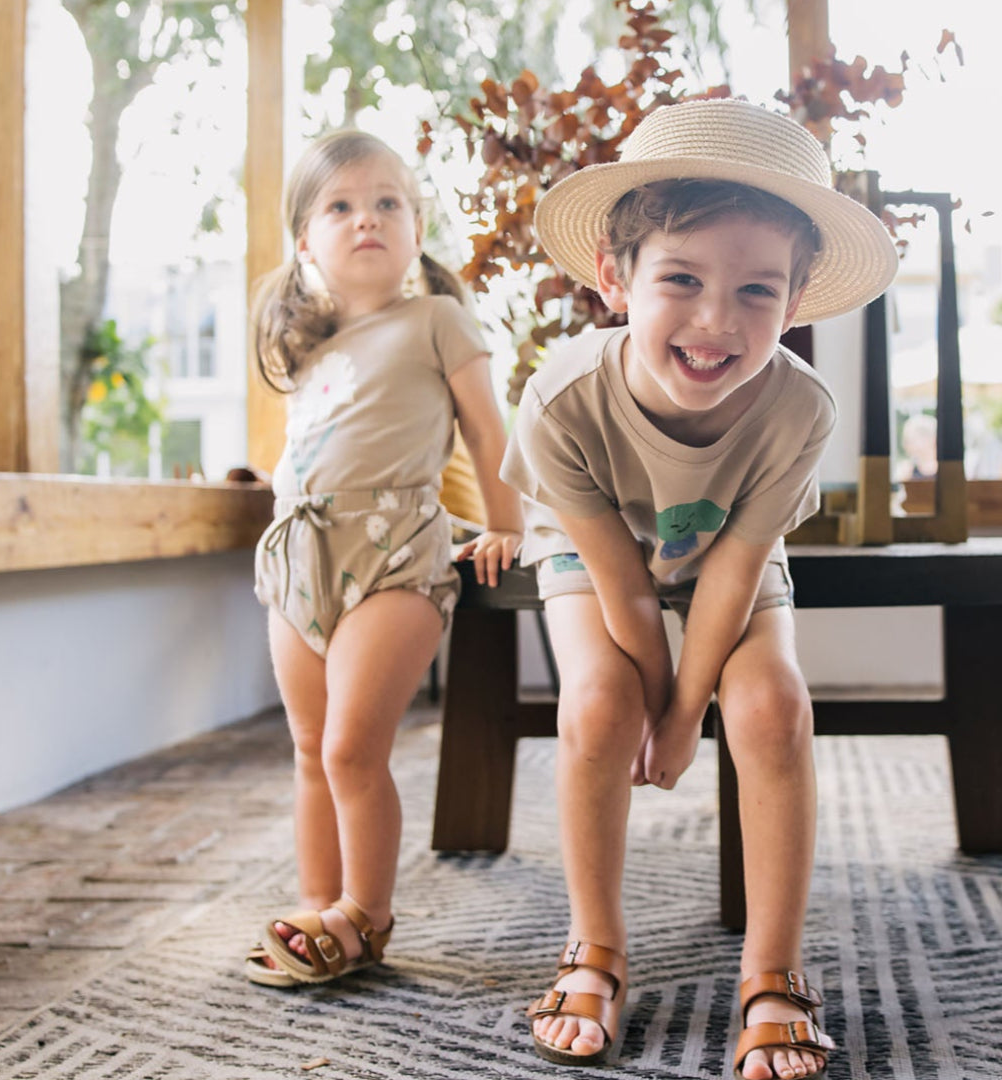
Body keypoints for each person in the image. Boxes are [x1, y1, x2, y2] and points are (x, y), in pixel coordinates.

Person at [501, 99, 897, 1078]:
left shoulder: (800, 408)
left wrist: (689, 711)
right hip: (599, 558)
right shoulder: (559, 399)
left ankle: (773, 971)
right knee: (600, 703)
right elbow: (625, 591)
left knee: (771, 705)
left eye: (758, 292)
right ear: (613, 278)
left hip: (728, 553)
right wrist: (654, 701)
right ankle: (594, 945)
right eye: (681, 278)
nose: (718, 321)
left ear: (796, 301)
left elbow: (734, 571)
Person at [244, 129, 523, 989]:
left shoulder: (436, 319)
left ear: (415, 223)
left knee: (351, 748)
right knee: (307, 744)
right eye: (340, 206)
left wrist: (508, 524)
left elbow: (485, 430)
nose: (366, 218)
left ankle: (367, 915)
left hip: (397, 550)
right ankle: (319, 903)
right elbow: (314, 450)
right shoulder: (308, 349)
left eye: (387, 203)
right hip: (302, 555)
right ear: (305, 240)